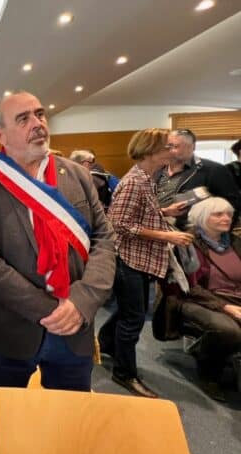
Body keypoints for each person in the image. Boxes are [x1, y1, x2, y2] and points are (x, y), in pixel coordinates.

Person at [0, 92, 115, 454]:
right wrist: (48, 309)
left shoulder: (76, 174)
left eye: (40, 114)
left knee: (71, 419)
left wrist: (81, 301)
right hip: (12, 326)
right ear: (1, 134)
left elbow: (104, 239)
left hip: (74, 324)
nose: (38, 124)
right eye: (24, 118)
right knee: (6, 417)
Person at [99, 128, 194, 398]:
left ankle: (106, 343)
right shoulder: (134, 182)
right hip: (128, 259)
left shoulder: (147, 178)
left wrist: (164, 211)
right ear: (151, 151)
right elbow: (120, 224)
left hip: (138, 259)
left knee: (131, 312)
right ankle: (124, 373)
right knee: (133, 319)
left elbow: (139, 213)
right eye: (167, 147)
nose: (172, 152)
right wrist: (166, 235)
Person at [180, 197, 241, 402]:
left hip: (234, 298)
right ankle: (208, 371)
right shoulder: (188, 243)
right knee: (229, 330)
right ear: (202, 217)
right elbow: (189, 287)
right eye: (219, 214)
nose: (227, 218)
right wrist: (224, 306)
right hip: (200, 300)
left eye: (229, 214)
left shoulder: (235, 242)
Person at [155, 129, 241, 229]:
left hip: (192, 232)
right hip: (153, 230)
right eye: (168, 146)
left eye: (176, 146)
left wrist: (220, 234)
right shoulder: (156, 168)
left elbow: (232, 205)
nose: (170, 150)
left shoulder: (213, 170)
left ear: (192, 147)